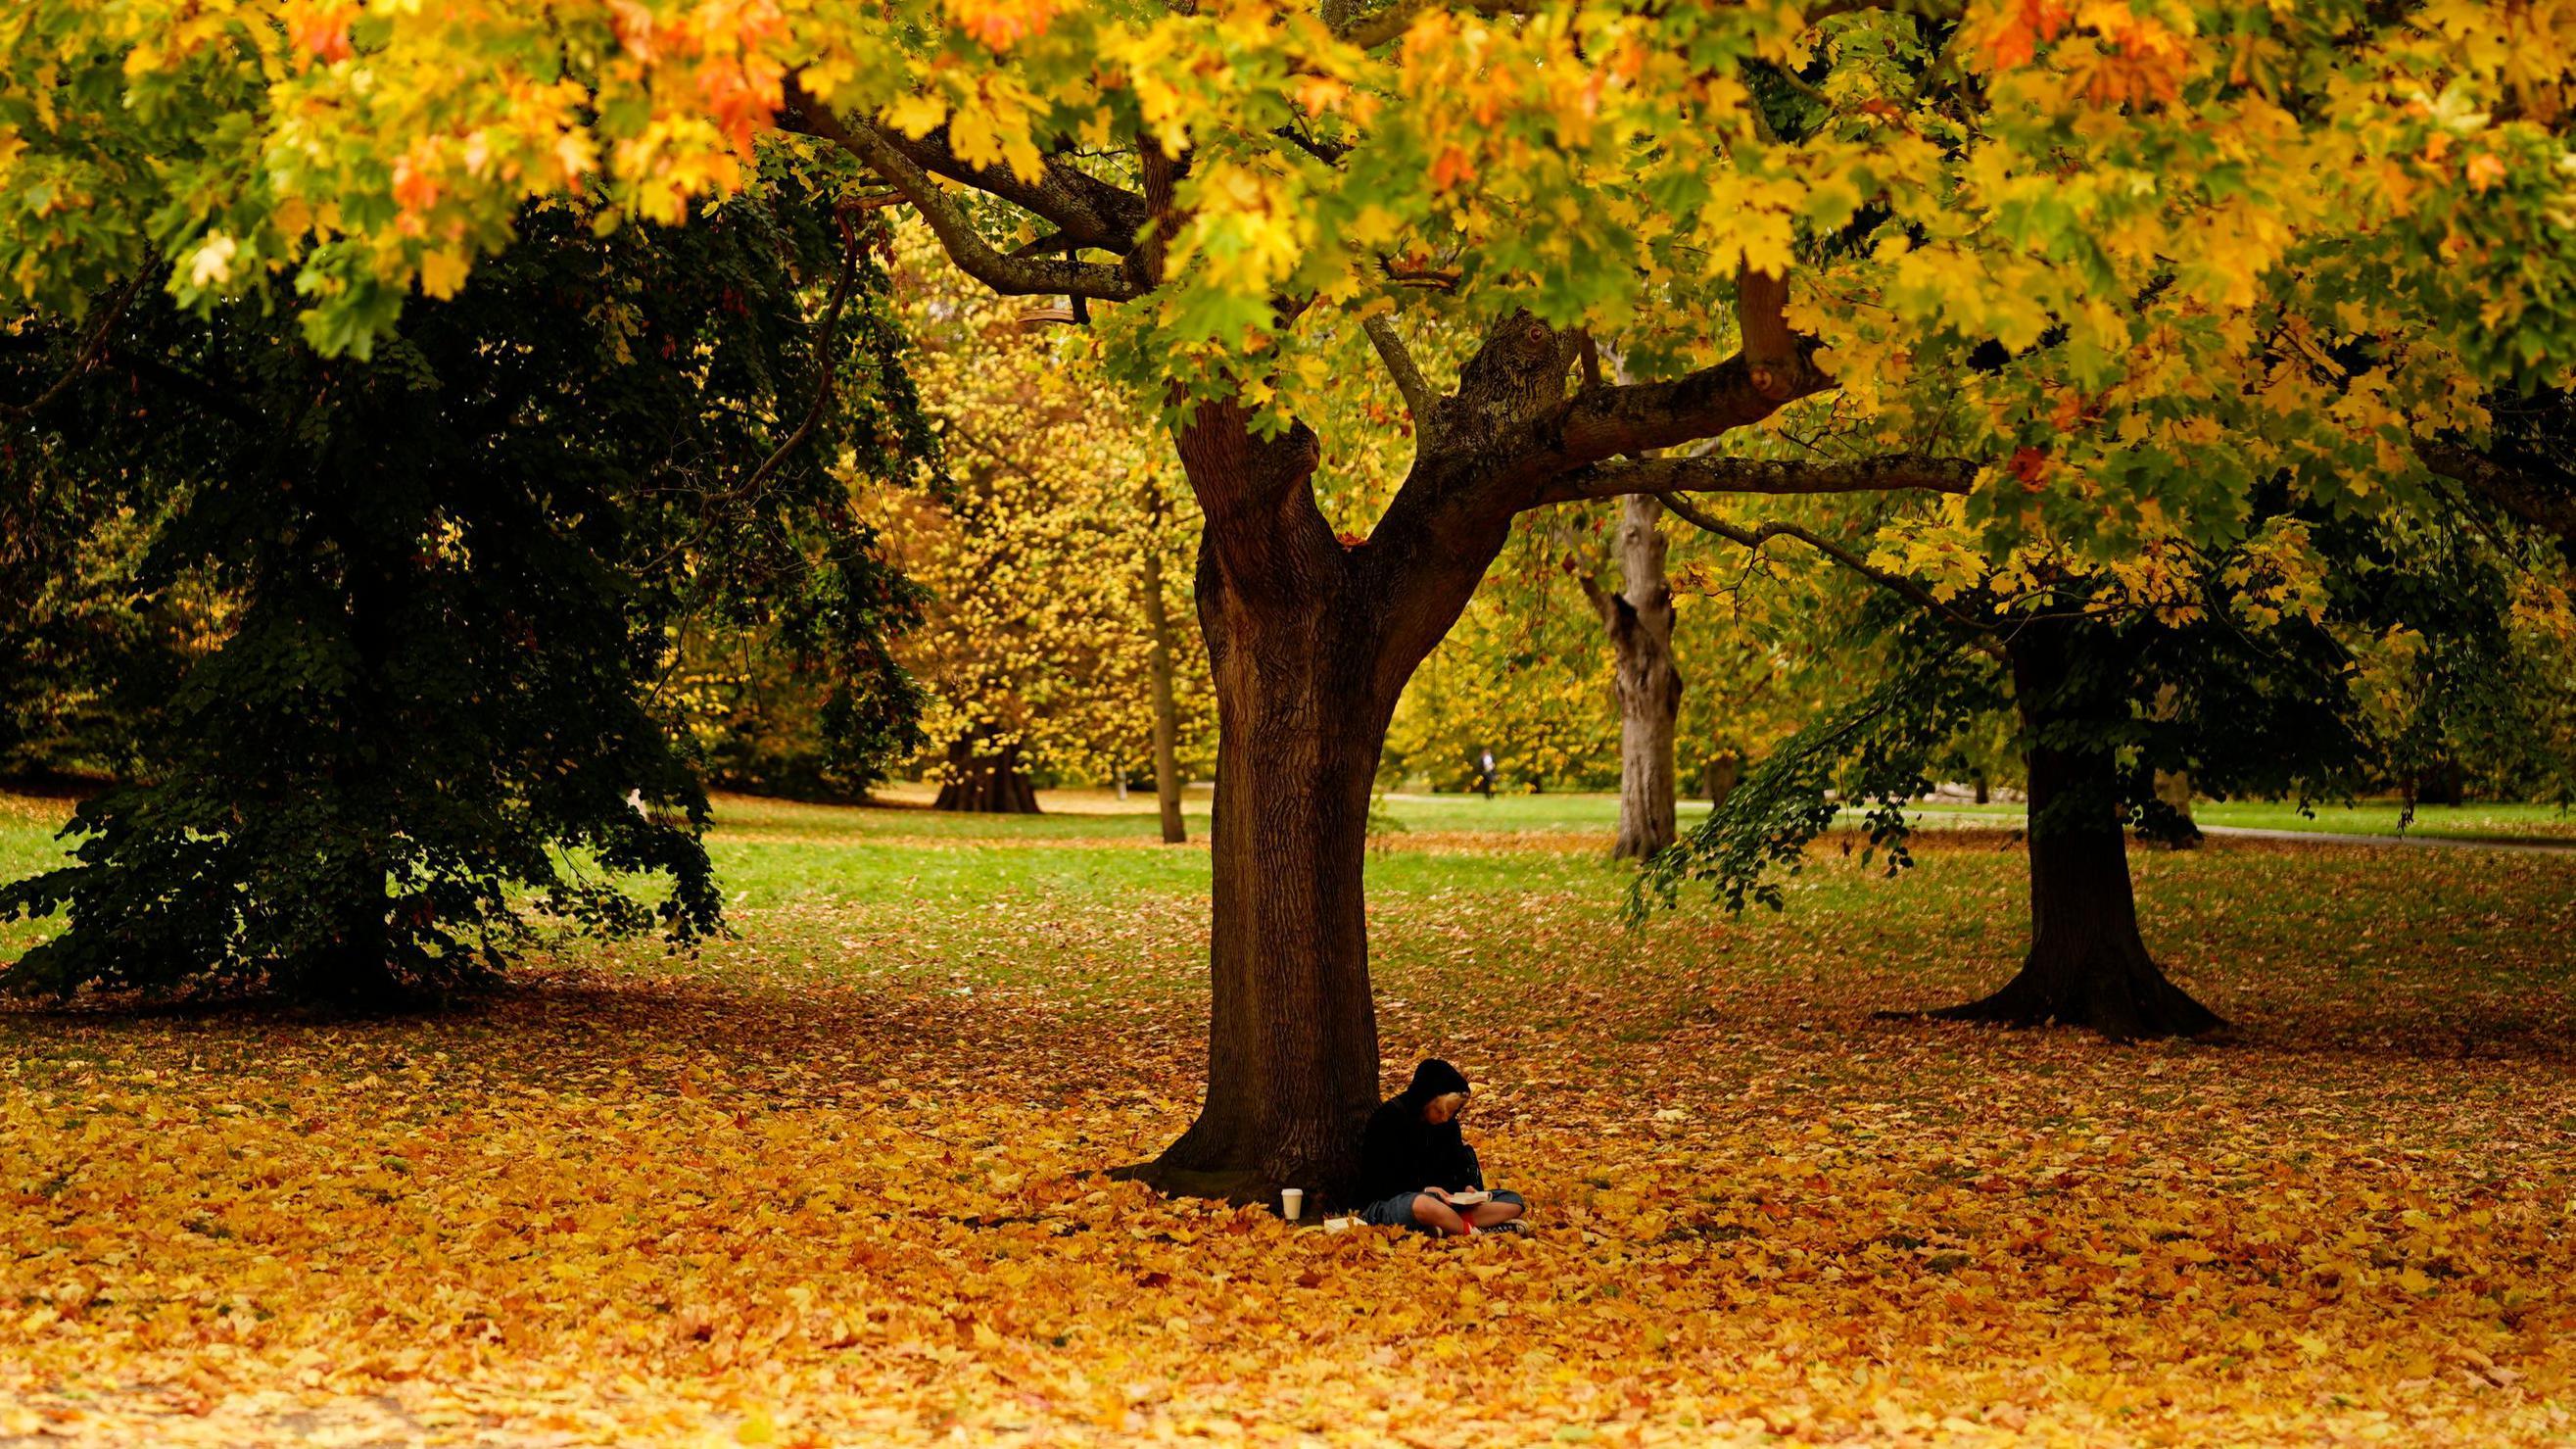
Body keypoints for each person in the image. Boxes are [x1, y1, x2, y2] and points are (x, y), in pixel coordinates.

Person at [1356, 1059, 1527, 1236]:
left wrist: (1467, 1189)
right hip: (1397, 1202)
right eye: (1440, 1111)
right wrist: (1425, 1190)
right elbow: (1380, 1184)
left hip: (1444, 1203)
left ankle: (1446, 1226)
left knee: (1513, 1201)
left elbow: (1456, 1166)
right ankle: (1475, 1233)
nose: (1445, 1118)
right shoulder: (1388, 1119)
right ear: (1425, 1100)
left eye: (1452, 1112)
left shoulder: (1448, 1125)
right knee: (1424, 1204)